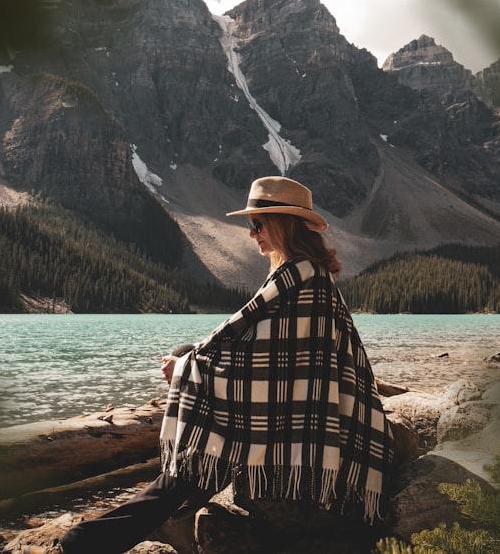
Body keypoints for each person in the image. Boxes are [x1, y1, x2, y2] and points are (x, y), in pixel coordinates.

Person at [31, 176, 394, 554]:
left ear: (283, 223)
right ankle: (149, 510)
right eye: (250, 224)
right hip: (293, 404)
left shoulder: (298, 279)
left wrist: (188, 370)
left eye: (257, 223)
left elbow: (265, 363)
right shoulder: (307, 274)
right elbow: (255, 345)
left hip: (293, 412)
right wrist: (191, 361)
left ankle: (87, 541)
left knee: (183, 466)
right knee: (188, 362)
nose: (252, 234)